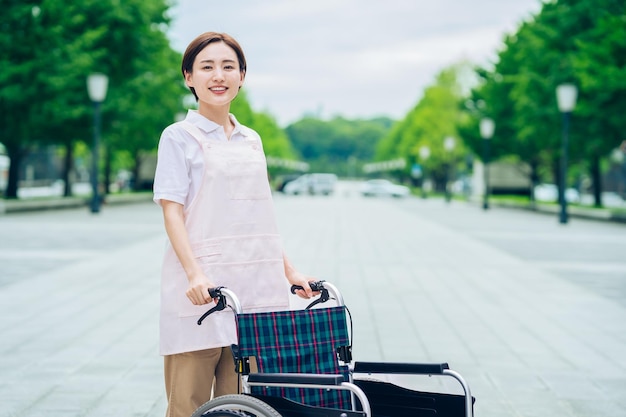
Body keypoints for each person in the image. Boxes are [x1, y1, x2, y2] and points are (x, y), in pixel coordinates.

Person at [152, 31, 315, 417]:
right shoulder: (178, 137)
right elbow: (171, 209)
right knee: (188, 406)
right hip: (201, 293)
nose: (218, 75)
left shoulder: (251, 140)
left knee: (247, 404)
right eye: (206, 67)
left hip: (254, 290)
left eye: (228, 67)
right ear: (189, 77)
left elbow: (259, 216)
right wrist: (194, 275)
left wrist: (289, 271)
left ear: (242, 76)